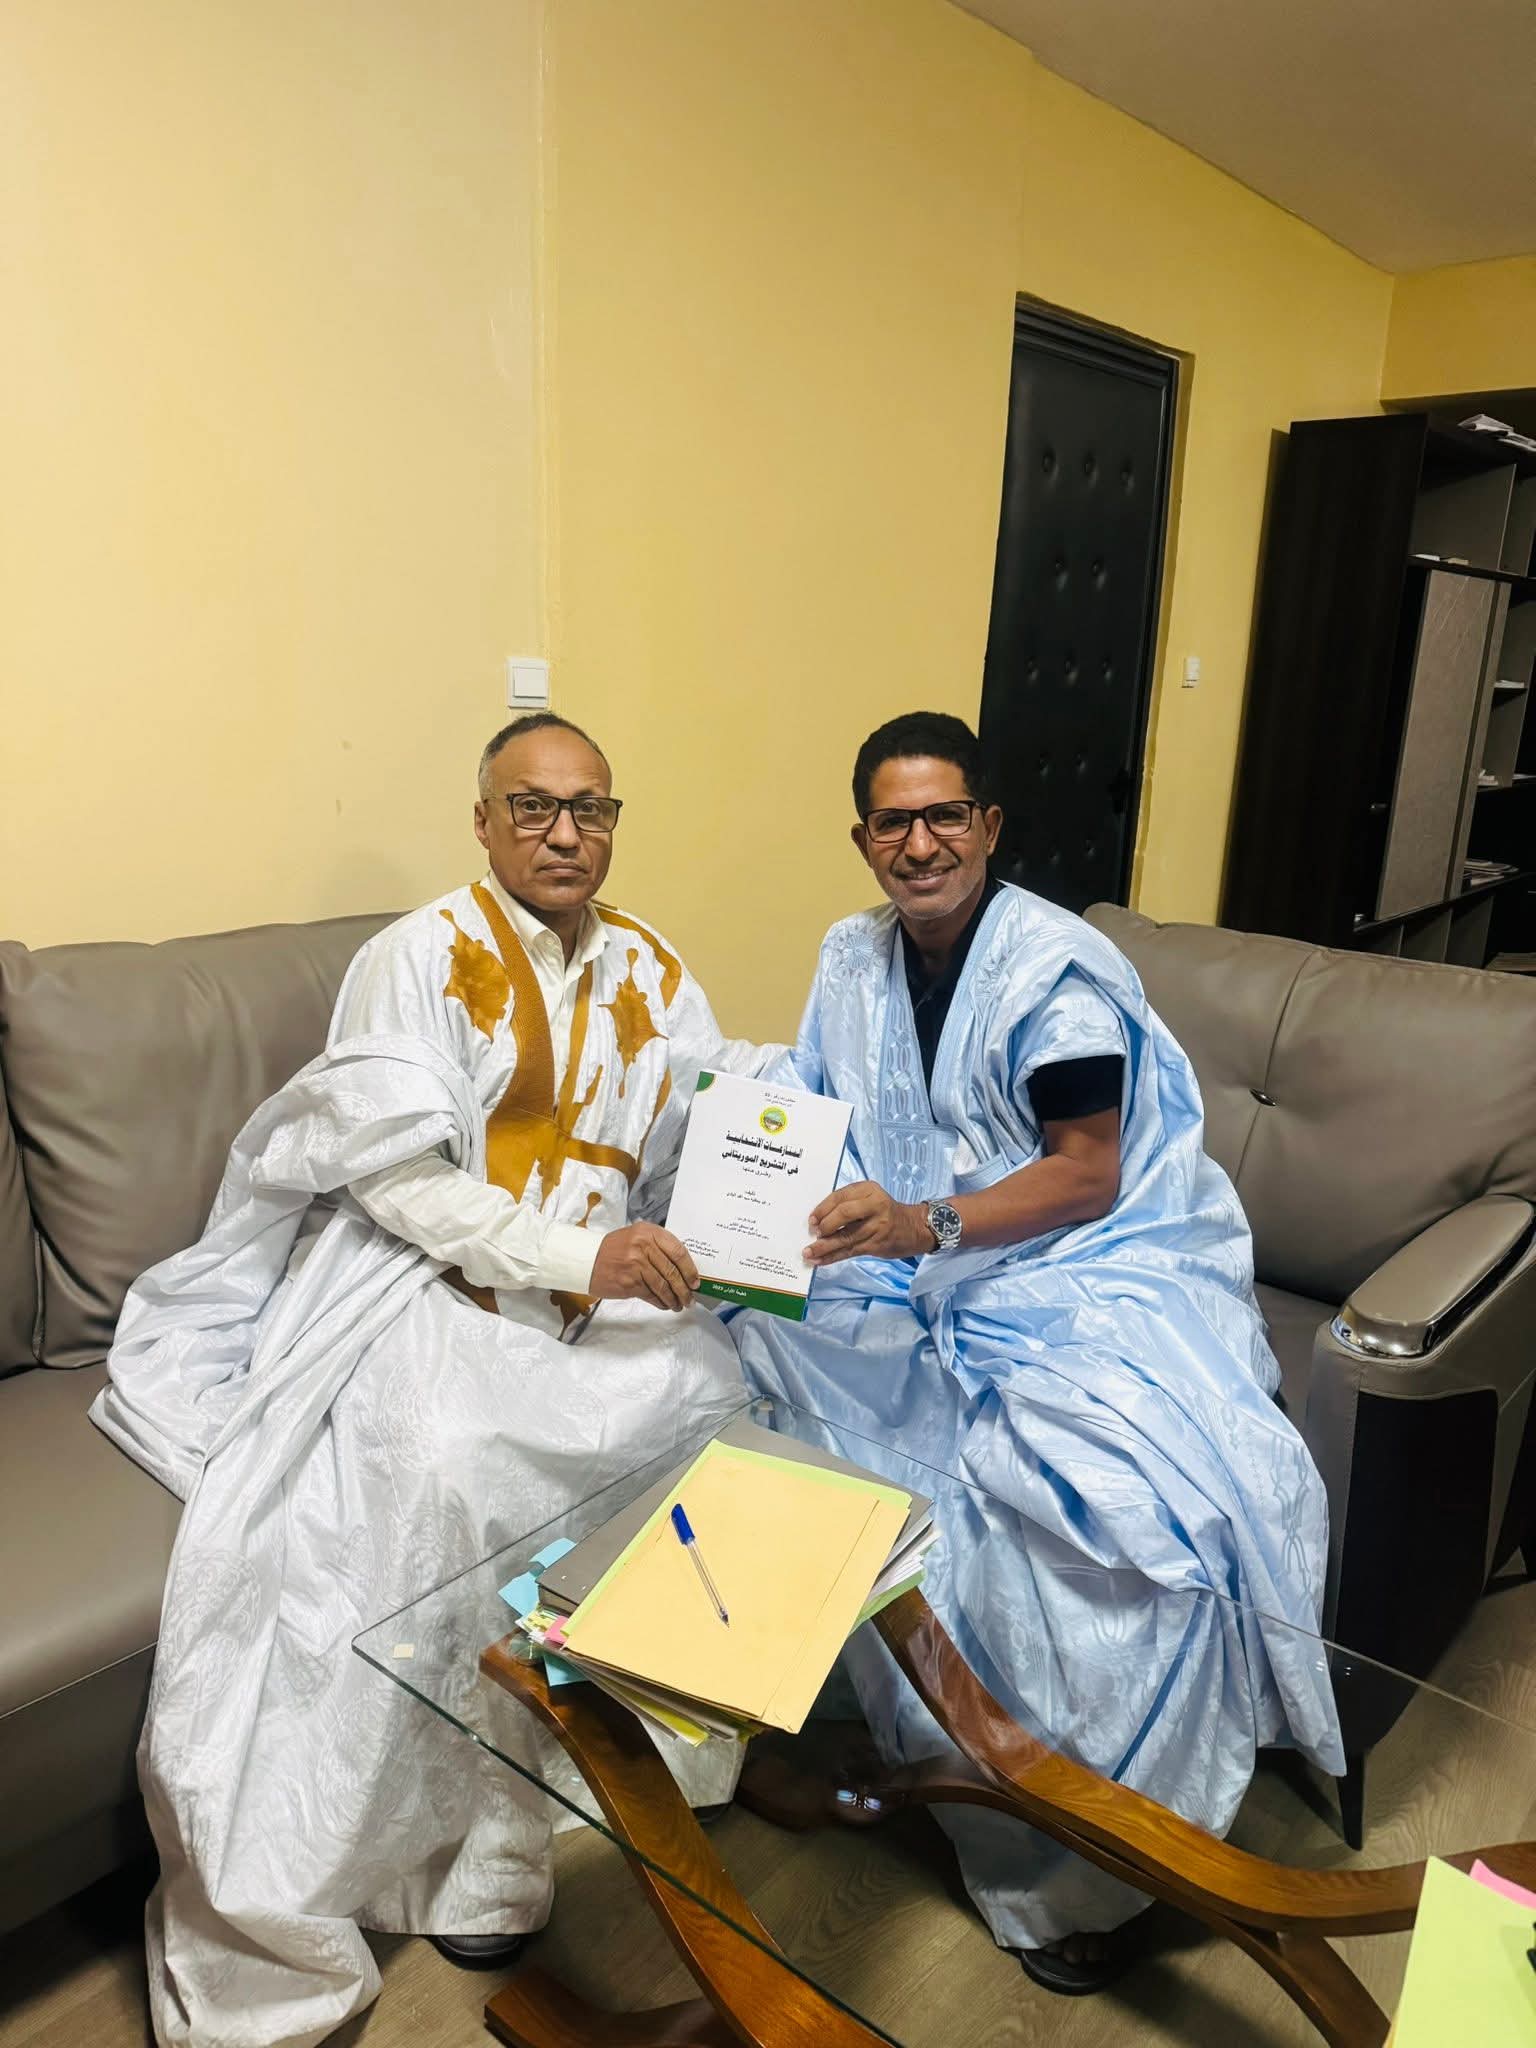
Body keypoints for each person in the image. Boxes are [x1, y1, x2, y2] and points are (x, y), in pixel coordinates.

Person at [92, 713, 774, 2048]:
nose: (564, 832)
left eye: (590, 807)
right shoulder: (413, 957)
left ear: (613, 823)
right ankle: (468, 1858)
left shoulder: (652, 963)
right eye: (533, 806)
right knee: (458, 1465)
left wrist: (772, 1178)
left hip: (603, 1290)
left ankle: (627, 1787)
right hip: (421, 1277)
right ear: (482, 820)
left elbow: (702, 1128)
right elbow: (398, 1181)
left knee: (710, 1401)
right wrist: (577, 1256)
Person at [731, 711, 1342, 1994]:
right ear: (863, 838)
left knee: (1114, 1503)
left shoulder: (1054, 971)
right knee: (752, 1352)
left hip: (1094, 1262)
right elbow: (823, 1098)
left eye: (945, 815)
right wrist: (752, 1172)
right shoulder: (851, 953)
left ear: (990, 825)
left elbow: (1087, 1172)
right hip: (911, 1253)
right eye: (893, 822)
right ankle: (887, 1721)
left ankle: (1080, 1856)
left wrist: (925, 1222)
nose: (921, 844)